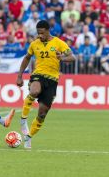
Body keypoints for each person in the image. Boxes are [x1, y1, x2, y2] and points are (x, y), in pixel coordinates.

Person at [16, 20, 75, 149]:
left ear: (48, 31)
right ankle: (23, 119)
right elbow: (27, 57)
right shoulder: (34, 44)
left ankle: (28, 137)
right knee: (34, 91)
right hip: (38, 75)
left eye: (42, 33)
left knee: (42, 114)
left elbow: (72, 57)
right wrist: (20, 75)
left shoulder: (58, 43)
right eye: (38, 33)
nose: (40, 36)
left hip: (52, 79)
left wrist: (62, 58)